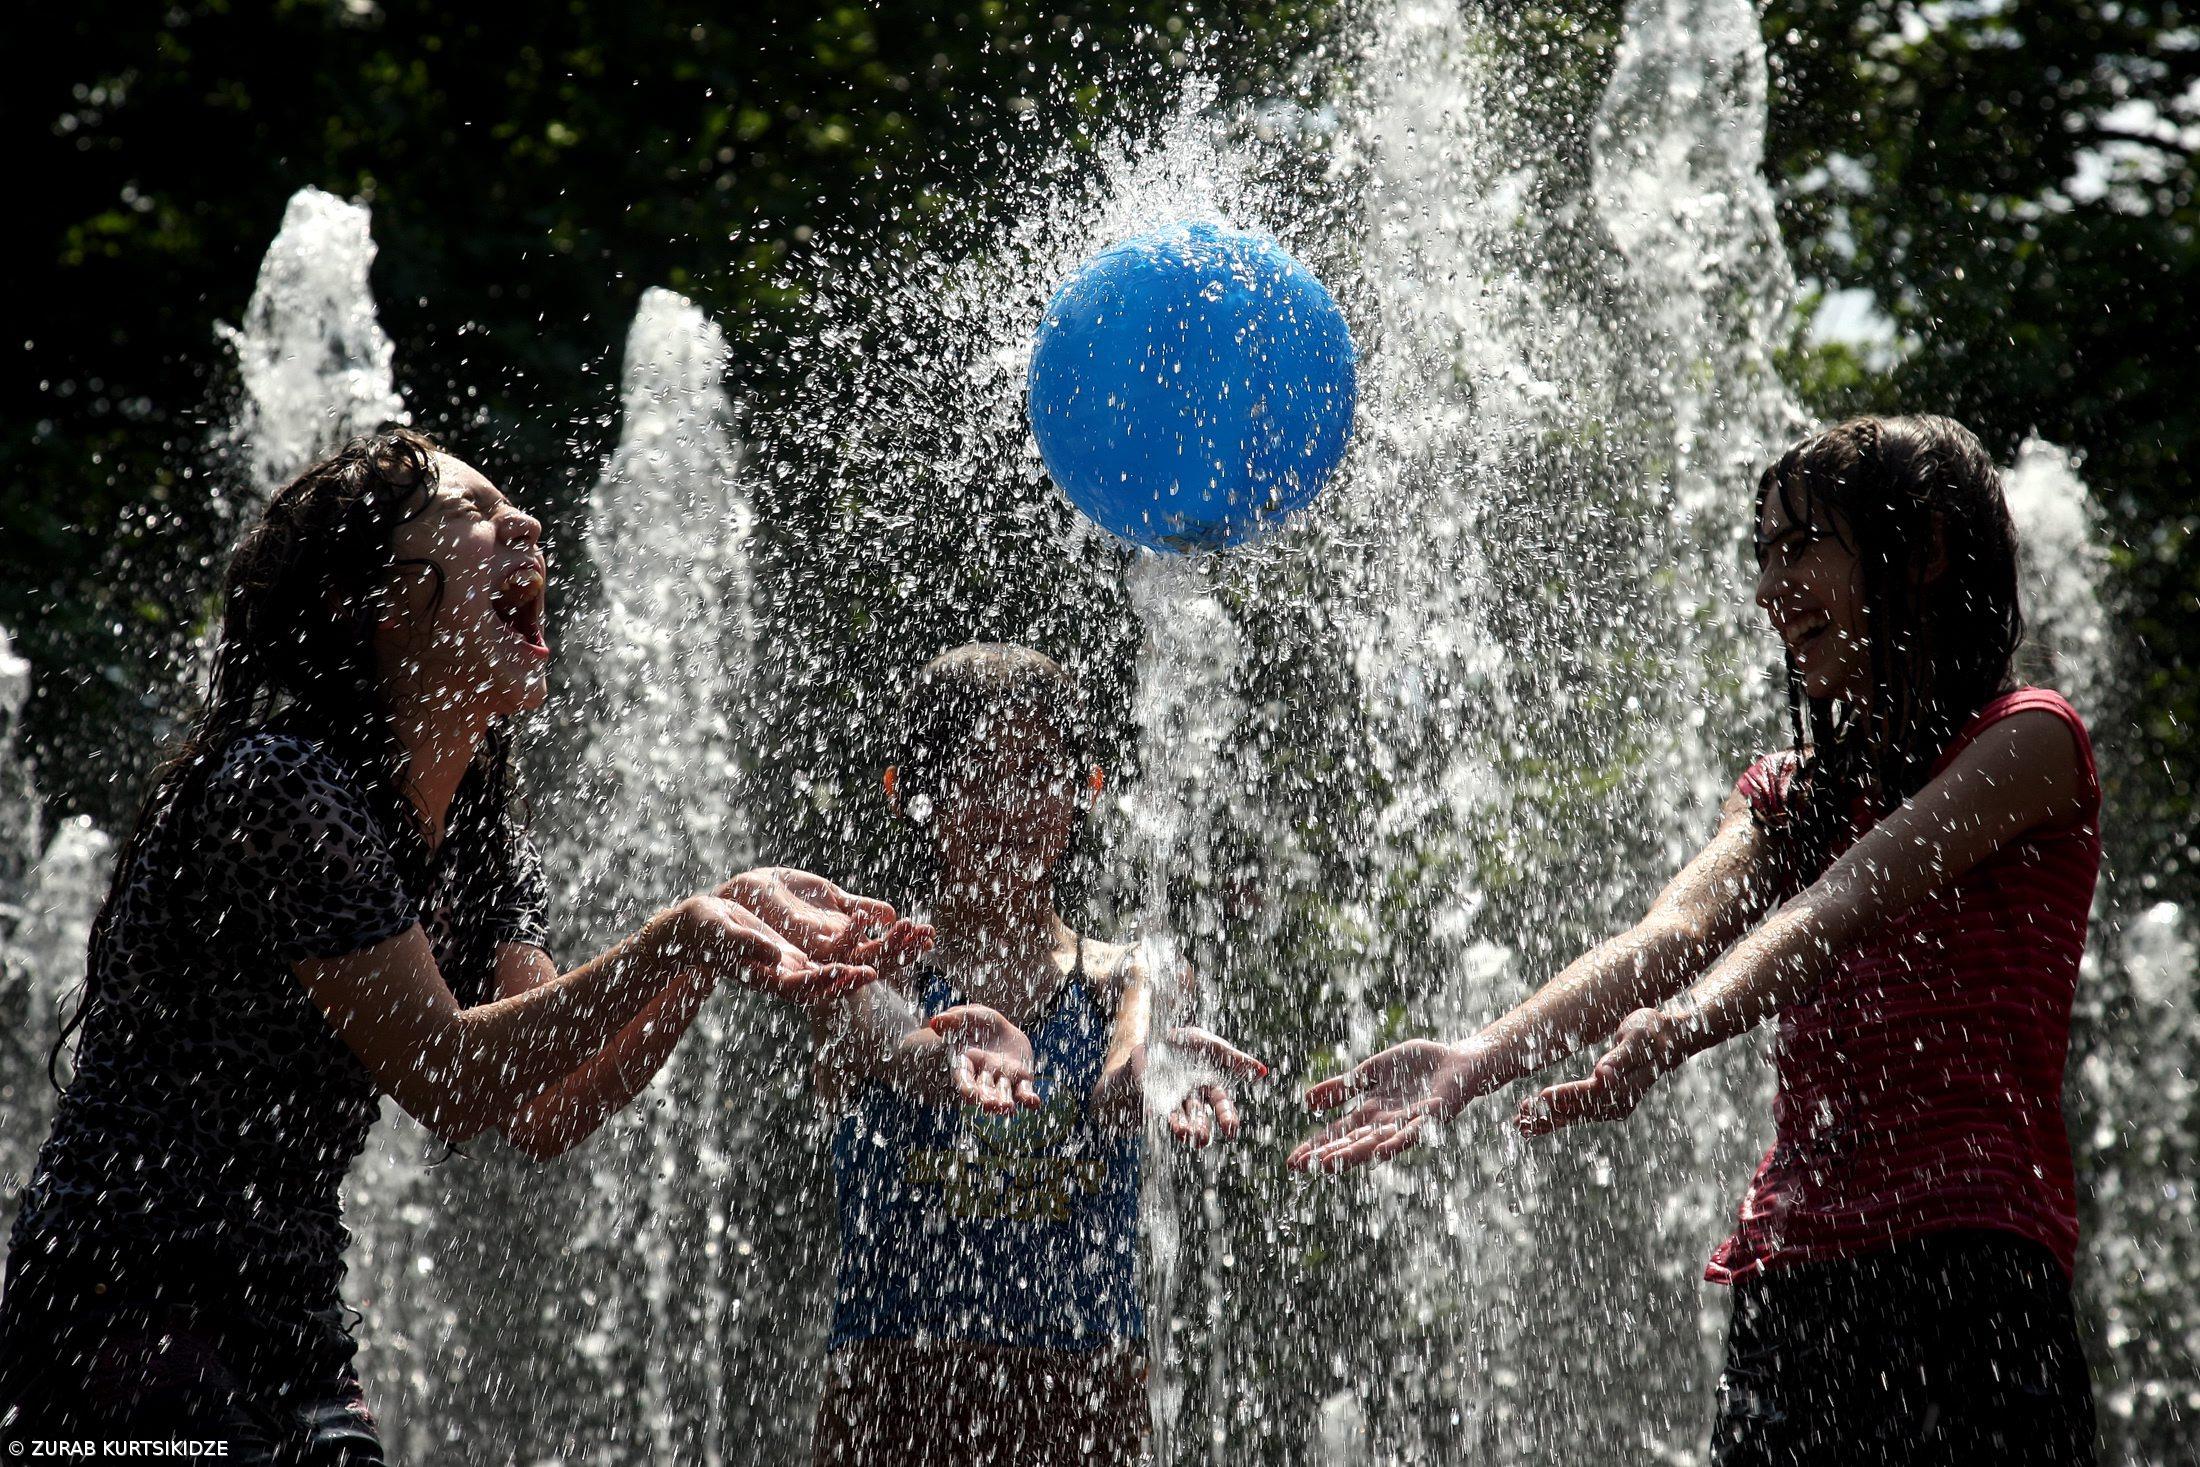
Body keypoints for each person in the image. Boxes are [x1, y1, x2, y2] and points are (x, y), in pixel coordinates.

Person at [0, 430, 924, 1457]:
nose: (525, 522)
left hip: (287, 1311)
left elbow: (541, 1107)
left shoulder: (474, 832)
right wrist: (677, 936)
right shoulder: (280, 784)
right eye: (476, 514)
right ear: (376, 600)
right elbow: (447, 1076)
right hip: (122, 1304)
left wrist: (714, 939)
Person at [1292, 415, 2100, 1465]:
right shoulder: (1791, 792)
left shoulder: (2028, 740)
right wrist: (1478, 1057)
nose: (1772, 589)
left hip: (1969, 1265)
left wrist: (1678, 1027)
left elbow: (1841, 906)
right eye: (1762, 556)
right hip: (1794, 1276)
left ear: (1929, 549)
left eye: (1803, 545)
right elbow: (1668, 932)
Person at [807, 643, 1266, 1467]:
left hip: (1083, 1397)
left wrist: (1154, 1070)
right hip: (898, 1396)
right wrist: (927, 1051)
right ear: (911, 790)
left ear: (1085, 788)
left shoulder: (1132, 972)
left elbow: (1116, 1085)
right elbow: (875, 1031)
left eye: (1036, 772)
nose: (1009, 804)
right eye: (975, 773)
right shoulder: (870, 964)